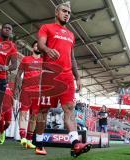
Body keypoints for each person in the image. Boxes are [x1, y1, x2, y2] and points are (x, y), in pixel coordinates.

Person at [37, 1, 91, 157]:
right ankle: (39, 143)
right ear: (56, 12)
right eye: (64, 11)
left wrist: (78, 77)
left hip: (67, 77)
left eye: (69, 12)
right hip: (50, 75)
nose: (67, 14)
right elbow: (40, 44)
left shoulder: (71, 34)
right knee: (43, 110)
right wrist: (47, 49)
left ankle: (75, 144)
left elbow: (72, 58)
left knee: (69, 109)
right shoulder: (46, 28)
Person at [14, 41, 42, 149]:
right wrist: (16, 88)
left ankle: (29, 139)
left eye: (39, 46)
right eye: (36, 45)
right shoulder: (26, 59)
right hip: (26, 91)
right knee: (23, 114)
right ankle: (23, 138)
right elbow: (18, 74)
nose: (38, 47)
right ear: (32, 48)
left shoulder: (43, 61)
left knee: (34, 117)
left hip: (37, 93)